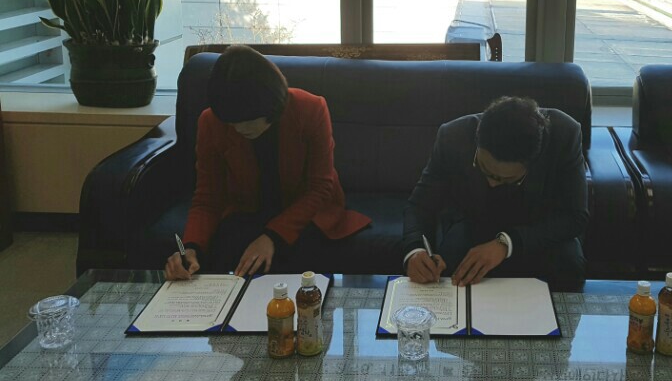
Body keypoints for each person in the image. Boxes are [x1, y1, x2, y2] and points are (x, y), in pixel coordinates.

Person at [164, 45, 371, 280]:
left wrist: (272, 236)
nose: (240, 128)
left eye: (249, 120)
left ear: (272, 105)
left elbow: (320, 187)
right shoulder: (211, 122)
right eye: (232, 122)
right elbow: (208, 196)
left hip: (308, 213)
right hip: (248, 212)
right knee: (223, 258)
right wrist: (191, 247)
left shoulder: (310, 109)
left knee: (300, 261)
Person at [402, 96, 588, 290]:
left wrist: (506, 243)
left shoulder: (565, 134)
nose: (492, 183)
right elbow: (420, 205)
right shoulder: (453, 136)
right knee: (447, 270)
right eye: (484, 169)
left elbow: (575, 216)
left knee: (569, 265)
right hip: (474, 224)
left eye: (506, 179)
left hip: (539, 230)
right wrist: (415, 250)